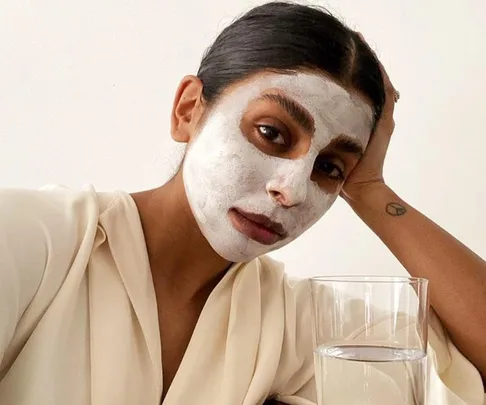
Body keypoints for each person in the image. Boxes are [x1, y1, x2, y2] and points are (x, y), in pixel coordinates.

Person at [0, 2, 485, 404]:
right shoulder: (34, 241)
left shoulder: (298, 325)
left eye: (330, 168)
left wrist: (372, 190)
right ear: (189, 109)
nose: (291, 190)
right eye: (272, 133)